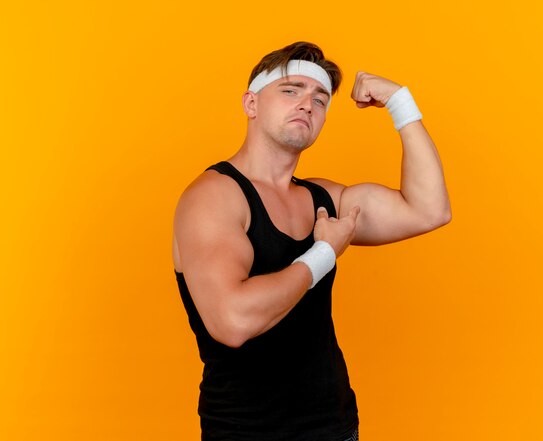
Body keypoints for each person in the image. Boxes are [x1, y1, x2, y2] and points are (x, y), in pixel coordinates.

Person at [172, 41, 451, 441]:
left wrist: (400, 102)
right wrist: (323, 254)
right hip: (247, 431)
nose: (307, 104)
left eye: (320, 99)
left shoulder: (324, 199)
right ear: (251, 103)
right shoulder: (212, 197)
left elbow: (430, 209)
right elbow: (233, 321)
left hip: (335, 426)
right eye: (291, 90)